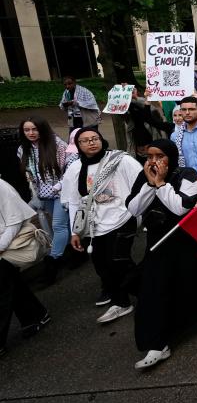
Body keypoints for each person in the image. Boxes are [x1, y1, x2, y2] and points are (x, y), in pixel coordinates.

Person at [125, 140, 197, 370]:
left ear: (170, 157)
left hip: (186, 240)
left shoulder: (187, 175)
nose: (154, 161)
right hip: (158, 242)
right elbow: (133, 208)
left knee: (193, 280)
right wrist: (149, 184)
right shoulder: (145, 177)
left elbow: (180, 207)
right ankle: (157, 343)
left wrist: (161, 184)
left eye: (159, 156)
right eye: (150, 156)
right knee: (154, 290)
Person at [63, 126, 142, 322]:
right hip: (94, 226)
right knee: (102, 266)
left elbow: (142, 186)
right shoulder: (75, 169)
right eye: (85, 140)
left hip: (122, 218)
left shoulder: (121, 161)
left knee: (119, 261)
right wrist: (75, 231)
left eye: (95, 138)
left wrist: (138, 212)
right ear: (78, 146)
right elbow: (74, 201)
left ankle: (151, 294)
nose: (91, 142)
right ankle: (120, 302)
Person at [0, 177, 51, 356]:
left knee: (2, 287)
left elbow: (15, 221)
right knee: (10, 284)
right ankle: (36, 315)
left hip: (7, 245)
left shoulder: (1, 187)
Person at [18, 119, 70, 285]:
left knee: (59, 226)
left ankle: (52, 267)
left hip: (62, 191)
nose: (31, 133)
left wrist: (60, 185)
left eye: (35, 129)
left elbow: (71, 165)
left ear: (42, 129)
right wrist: (36, 194)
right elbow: (30, 176)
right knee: (61, 227)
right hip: (44, 194)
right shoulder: (22, 150)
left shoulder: (57, 144)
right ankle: (73, 254)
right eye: (27, 130)